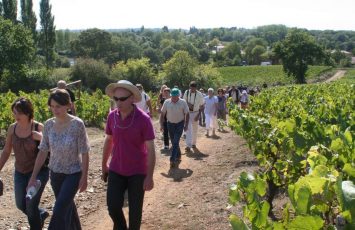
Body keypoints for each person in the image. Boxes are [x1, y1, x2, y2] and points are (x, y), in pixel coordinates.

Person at [28, 89, 90, 230]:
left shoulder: (77, 124)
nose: (55, 109)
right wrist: (33, 176)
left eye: (59, 106)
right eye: (52, 106)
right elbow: (43, 151)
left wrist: (84, 177)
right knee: (67, 207)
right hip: (55, 174)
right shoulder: (49, 124)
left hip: (73, 173)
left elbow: (85, 152)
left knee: (60, 208)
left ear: (68, 105)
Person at [103, 80, 156, 230]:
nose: (118, 102)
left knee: (135, 211)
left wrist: (149, 176)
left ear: (132, 98)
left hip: (137, 171)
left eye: (122, 99)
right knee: (112, 206)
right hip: (116, 168)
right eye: (116, 99)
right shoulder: (112, 116)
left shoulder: (143, 119)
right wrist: (104, 165)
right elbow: (109, 140)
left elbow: (151, 150)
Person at [0, 97, 49, 229]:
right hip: (20, 172)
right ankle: (41, 214)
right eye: (14, 112)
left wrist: (41, 137)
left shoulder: (38, 127)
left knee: (31, 205)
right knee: (20, 204)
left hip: (39, 172)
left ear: (27, 113)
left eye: (18, 113)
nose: (15, 116)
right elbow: (6, 152)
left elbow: (48, 147)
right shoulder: (12, 129)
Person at [160, 88, 189, 168]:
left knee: (175, 141)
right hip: (170, 124)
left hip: (180, 123)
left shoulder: (183, 102)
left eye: (175, 97)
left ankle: (172, 159)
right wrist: (161, 125)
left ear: (178, 96)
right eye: (173, 96)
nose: (174, 98)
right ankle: (179, 155)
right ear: (171, 95)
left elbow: (187, 113)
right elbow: (162, 114)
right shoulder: (167, 102)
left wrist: (186, 125)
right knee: (174, 142)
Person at [183, 81, 204, 152]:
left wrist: (199, 115)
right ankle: (188, 145)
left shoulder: (199, 94)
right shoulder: (187, 92)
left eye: (193, 89)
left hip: (196, 113)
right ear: (189, 87)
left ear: (196, 88)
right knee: (188, 129)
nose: (192, 90)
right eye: (191, 88)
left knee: (195, 129)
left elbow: (202, 105)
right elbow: (183, 101)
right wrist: (188, 104)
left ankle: (193, 143)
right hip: (188, 113)